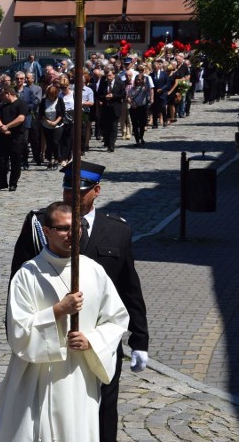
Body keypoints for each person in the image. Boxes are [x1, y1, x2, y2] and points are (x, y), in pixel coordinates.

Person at [11, 161, 150, 442]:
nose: (70, 196)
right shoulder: (40, 224)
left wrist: (139, 340)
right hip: (52, 349)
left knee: (103, 409)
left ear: (96, 191)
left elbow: (129, 288)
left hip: (100, 345)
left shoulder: (117, 231)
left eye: (79, 191)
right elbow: (20, 278)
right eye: (66, 190)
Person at [0, 202, 129, 442]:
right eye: (63, 228)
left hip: (79, 375)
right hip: (37, 377)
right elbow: (18, 330)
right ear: (46, 231)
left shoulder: (94, 271)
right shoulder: (28, 274)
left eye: (76, 227)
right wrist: (57, 311)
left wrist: (91, 340)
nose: (72, 234)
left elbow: (117, 318)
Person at [0, 86, 27, 191]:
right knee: (1, 161)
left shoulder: (21, 104)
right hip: (3, 137)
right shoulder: (2, 106)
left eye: (3, 95)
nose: (1, 97)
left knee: (15, 162)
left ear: (8, 94)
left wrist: (7, 126)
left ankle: (13, 183)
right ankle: (3, 182)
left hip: (16, 137)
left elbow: (21, 118)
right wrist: (2, 128)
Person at [127, 73, 151, 146]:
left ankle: (141, 137)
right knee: (135, 124)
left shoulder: (144, 88)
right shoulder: (132, 88)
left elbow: (148, 88)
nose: (138, 81)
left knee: (142, 124)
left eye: (139, 80)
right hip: (134, 108)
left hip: (142, 107)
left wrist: (145, 80)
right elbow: (128, 97)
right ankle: (137, 140)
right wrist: (132, 103)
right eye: (137, 80)